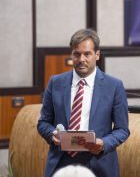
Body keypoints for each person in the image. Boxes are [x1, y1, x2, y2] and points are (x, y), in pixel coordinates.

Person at [37, 29, 130, 177]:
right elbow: (43, 123)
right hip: (61, 162)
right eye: (76, 54)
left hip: (98, 162)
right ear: (71, 55)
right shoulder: (55, 83)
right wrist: (52, 134)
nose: (81, 59)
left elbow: (122, 130)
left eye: (87, 54)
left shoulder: (114, 86)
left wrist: (103, 143)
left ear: (97, 55)